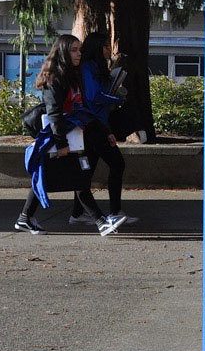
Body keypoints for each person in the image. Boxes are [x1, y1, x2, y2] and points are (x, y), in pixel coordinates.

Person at [14, 33, 126, 237]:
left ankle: (25, 218)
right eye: (74, 50)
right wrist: (61, 143)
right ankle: (101, 223)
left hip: (75, 132)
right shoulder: (55, 78)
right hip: (62, 135)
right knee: (78, 179)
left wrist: (105, 131)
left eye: (80, 50)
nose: (79, 54)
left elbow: (83, 109)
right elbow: (54, 112)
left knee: (51, 176)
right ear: (63, 52)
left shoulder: (71, 75)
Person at [68, 31, 135, 227]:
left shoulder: (94, 67)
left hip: (97, 124)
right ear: (98, 47)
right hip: (93, 125)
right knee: (116, 163)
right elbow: (93, 96)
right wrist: (117, 98)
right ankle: (113, 211)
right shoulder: (89, 67)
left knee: (86, 172)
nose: (109, 50)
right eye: (106, 46)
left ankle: (78, 213)